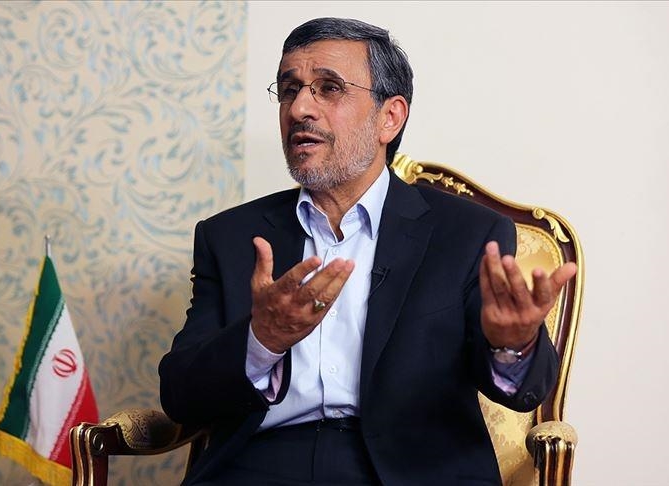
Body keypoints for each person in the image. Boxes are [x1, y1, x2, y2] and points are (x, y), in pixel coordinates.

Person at [159, 17, 577, 486]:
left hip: (414, 470)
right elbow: (179, 395)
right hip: (260, 465)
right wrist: (262, 340)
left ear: (389, 117)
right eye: (289, 89)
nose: (299, 108)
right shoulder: (232, 236)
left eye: (329, 88)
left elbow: (522, 394)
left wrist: (512, 345)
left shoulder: (466, 233)